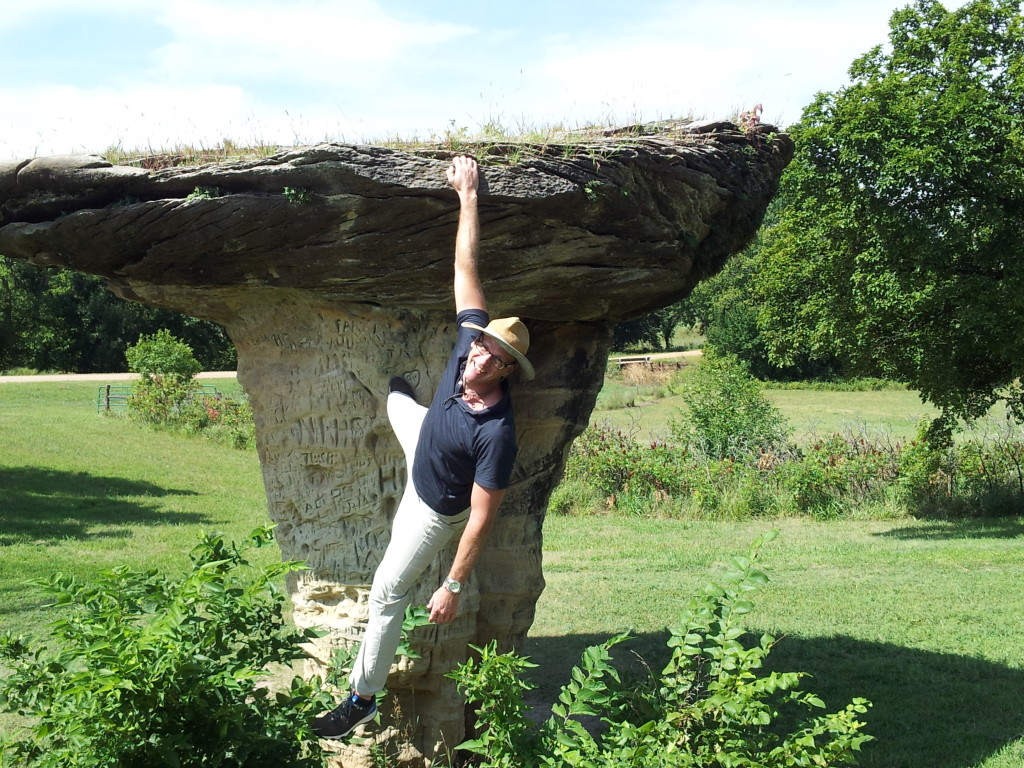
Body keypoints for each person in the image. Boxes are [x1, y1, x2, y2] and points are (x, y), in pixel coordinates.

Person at [312, 155, 534, 740]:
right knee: (396, 403)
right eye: (481, 346)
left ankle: (361, 695)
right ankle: (397, 391)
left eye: (493, 358)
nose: (478, 357)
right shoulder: (468, 346)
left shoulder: (497, 433)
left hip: (434, 505)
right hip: (425, 432)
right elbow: (466, 268)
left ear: (507, 372)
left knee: (387, 591)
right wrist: (468, 195)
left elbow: (483, 519)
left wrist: (454, 584)